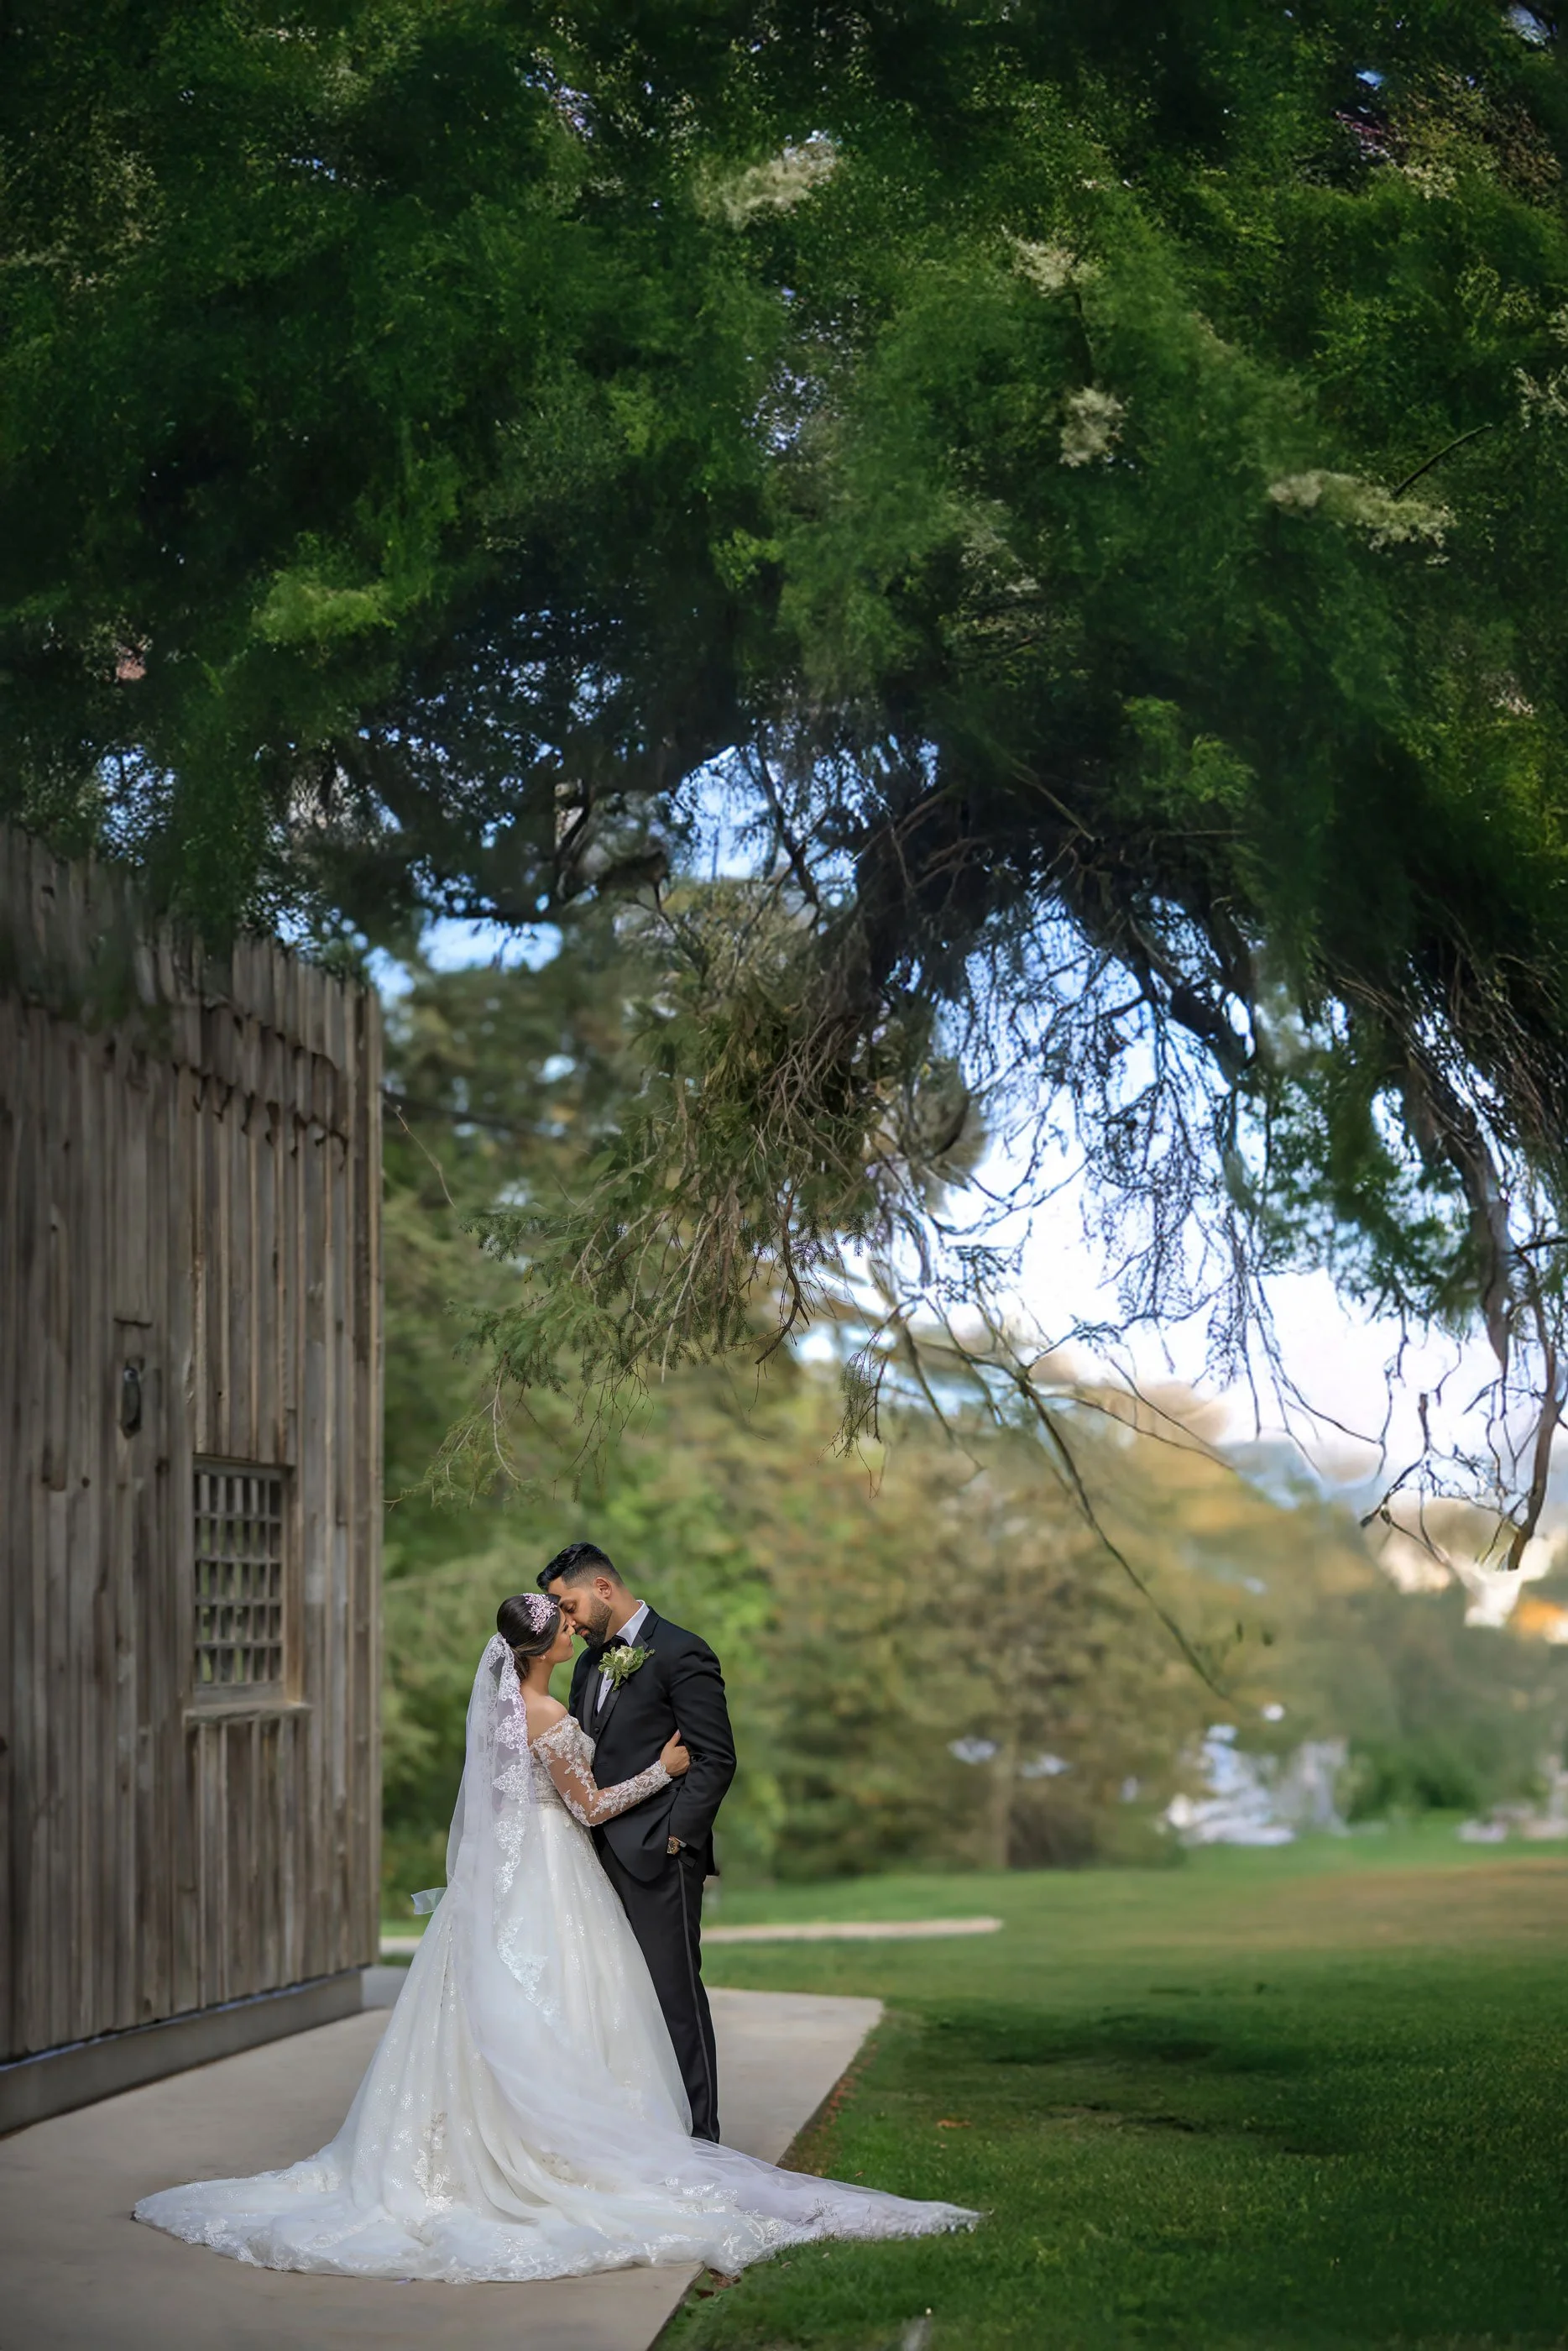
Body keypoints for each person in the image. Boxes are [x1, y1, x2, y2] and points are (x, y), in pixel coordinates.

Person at [133, 1592, 975, 2283]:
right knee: (571, 2005)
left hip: (501, 1884)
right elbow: (590, 1805)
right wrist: (664, 1771)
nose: (579, 1632)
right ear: (543, 1646)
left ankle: (463, 2146)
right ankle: (552, 2152)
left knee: (492, 2016)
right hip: (552, 1877)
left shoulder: (506, 1714)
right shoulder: (541, 1716)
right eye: (567, 1627)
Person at [541, 1540, 733, 2139]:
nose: (565, 1622)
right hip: (595, 1862)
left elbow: (714, 1759)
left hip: (660, 1859)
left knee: (674, 1998)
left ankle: (702, 2141)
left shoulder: (682, 1652)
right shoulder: (589, 1665)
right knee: (618, 2004)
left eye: (568, 1606)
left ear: (602, 1588)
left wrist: (677, 1838)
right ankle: (645, 2136)